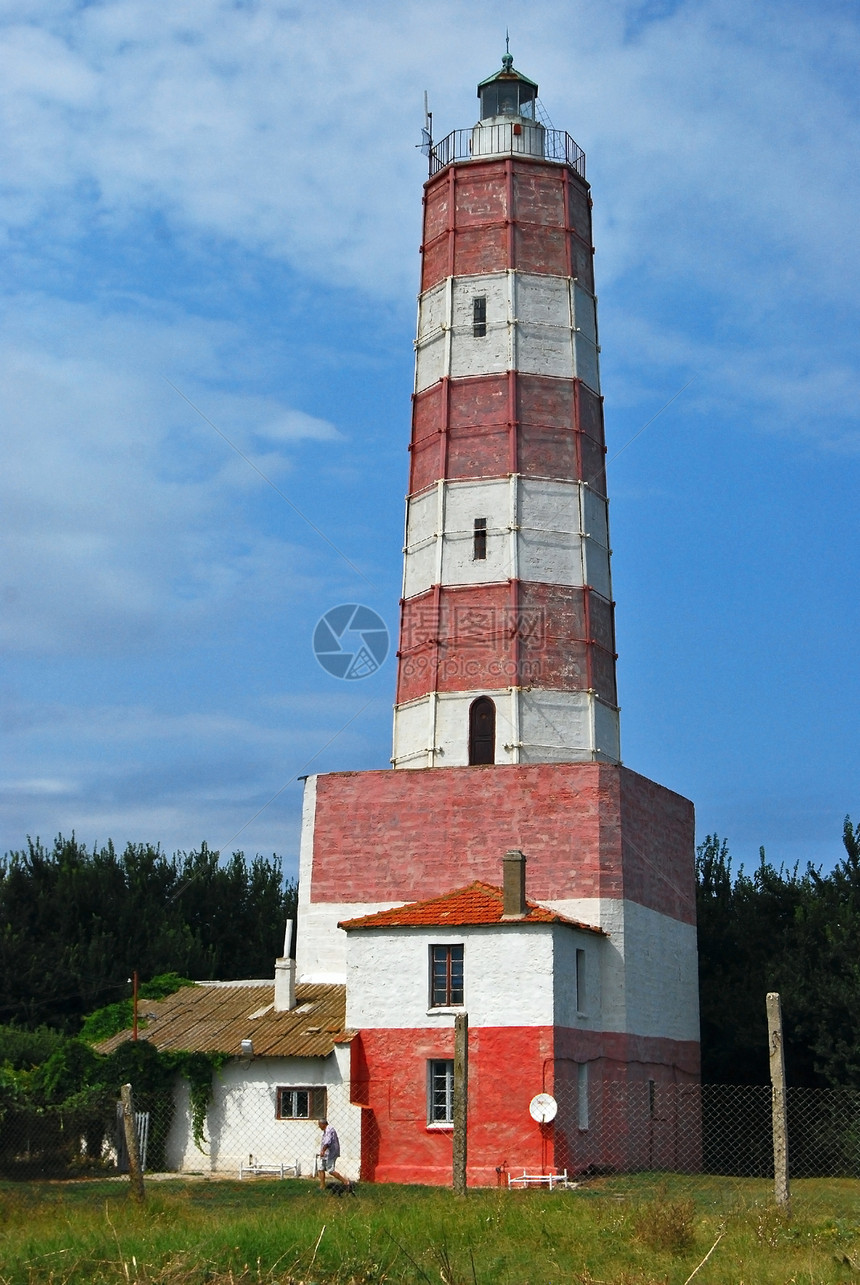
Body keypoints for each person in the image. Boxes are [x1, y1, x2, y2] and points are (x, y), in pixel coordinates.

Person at [317, 1118, 353, 1192]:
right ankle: (322, 1186)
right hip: (326, 1153)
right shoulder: (326, 1130)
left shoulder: (329, 1130)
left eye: (319, 1125)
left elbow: (328, 1142)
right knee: (321, 1168)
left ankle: (346, 1182)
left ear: (323, 1124)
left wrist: (323, 1150)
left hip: (330, 1153)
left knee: (330, 1170)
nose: (319, 1126)